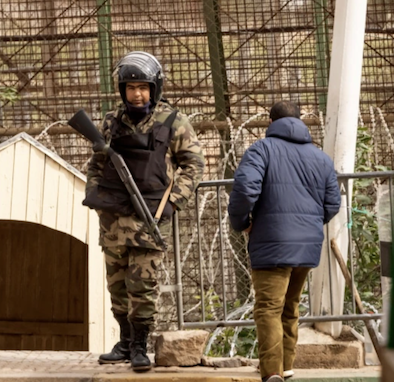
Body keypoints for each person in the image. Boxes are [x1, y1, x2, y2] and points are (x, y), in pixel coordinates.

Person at [84, 51, 205, 372]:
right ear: (122, 90)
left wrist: (172, 203)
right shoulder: (111, 122)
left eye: (143, 87)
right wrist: (95, 197)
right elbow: (95, 164)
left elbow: (193, 166)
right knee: (117, 285)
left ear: (155, 88)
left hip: (151, 216)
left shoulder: (173, 122)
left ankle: (140, 345)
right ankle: (124, 342)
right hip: (113, 219)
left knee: (143, 286)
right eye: (131, 87)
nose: (137, 94)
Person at [228, 101, 341, 382]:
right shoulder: (321, 157)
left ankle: (272, 372)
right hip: (307, 245)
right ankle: (286, 366)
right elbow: (333, 202)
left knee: (268, 307)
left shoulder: (261, 150)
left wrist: (242, 223)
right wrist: (310, 223)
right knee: (290, 307)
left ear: (271, 121)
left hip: (271, 241)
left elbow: (244, 190)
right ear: (300, 120)